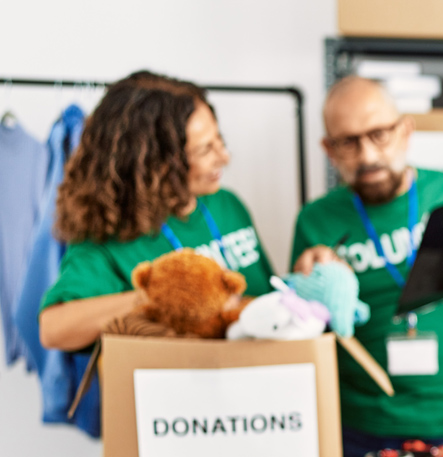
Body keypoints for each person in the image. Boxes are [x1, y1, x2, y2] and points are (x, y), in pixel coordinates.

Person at [291, 77, 443, 457]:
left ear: (406, 130)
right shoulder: (315, 220)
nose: (367, 155)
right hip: (364, 424)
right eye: (348, 142)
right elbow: (300, 335)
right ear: (328, 150)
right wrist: (306, 291)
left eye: (379, 134)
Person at [39, 71, 275, 352]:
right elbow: (53, 330)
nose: (223, 157)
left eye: (219, 140)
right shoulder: (110, 238)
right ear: (157, 164)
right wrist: (154, 296)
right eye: (204, 150)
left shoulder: (228, 204)